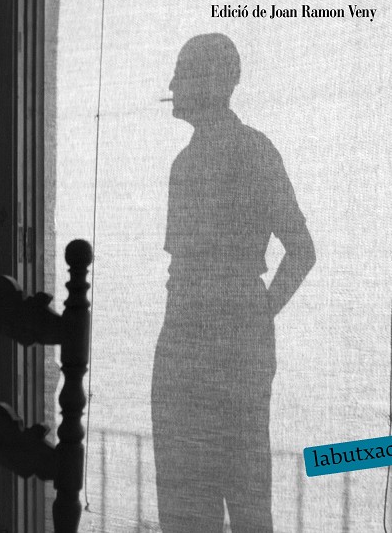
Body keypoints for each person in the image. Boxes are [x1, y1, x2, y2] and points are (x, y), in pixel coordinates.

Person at [151, 33, 316, 533]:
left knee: (239, 502)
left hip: (221, 348)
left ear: (214, 82)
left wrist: (256, 313)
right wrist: (254, 313)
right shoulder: (186, 164)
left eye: (183, 73)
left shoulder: (252, 152)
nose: (173, 84)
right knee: (188, 502)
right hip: (188, 344)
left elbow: (302, 250)